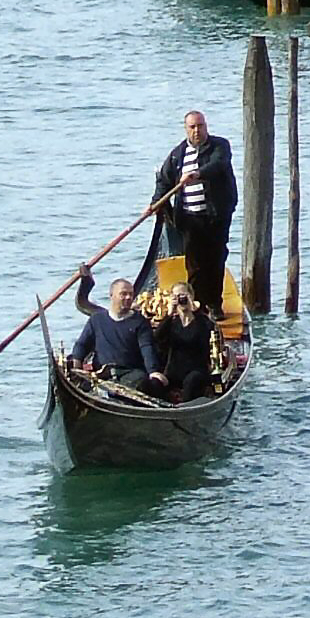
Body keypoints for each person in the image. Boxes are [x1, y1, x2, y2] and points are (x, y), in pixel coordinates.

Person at [152, 110, 238, 312]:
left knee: (216, 259)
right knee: (194, 265)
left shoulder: (220, 146)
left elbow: (218, 165)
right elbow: (164, 180)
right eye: (192, 127)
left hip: (215, 216)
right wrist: (155, 202)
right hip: (189, 218)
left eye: (200, 126)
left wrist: (197, 174)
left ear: (206, 126)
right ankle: (198, 306)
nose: (197, 131)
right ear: (186, 129)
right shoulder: (177, 155)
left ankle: (215, 305)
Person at [70, 274, 161, 391]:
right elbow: (82, 344)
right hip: (102, 373)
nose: (128, 297)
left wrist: (153, 371)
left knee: (141, 382)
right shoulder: (97, 320)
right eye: (123, 294)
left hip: (130, 373)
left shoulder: (140, 322)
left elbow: (147, 348)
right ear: (111, 296)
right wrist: (77, 365)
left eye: (131, 294)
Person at [150, 284, 220, 402]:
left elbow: (210, 331)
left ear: (191, 296)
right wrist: (169, 314)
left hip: (197, 371)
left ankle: (185, 407)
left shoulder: (201, 321)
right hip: (174, 372)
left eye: (183, 295)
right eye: (177, 296)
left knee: (191, 380)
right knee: (152, 383)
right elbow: (157, 338)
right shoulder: (172, 323)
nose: (181, 299)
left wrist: (195, 310)